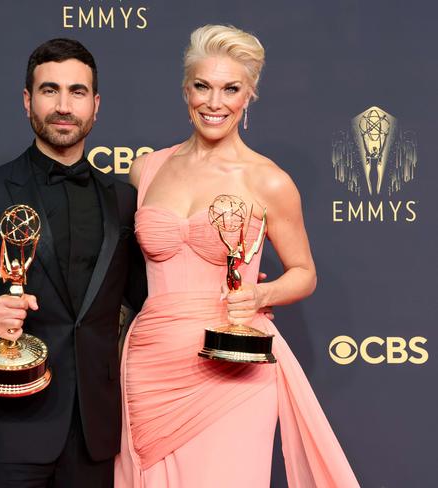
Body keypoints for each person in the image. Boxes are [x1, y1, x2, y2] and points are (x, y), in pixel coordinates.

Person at [114, 25, 359, 487]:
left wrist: (260, 291)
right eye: (202, 86)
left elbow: (304, 273)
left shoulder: (269, 180)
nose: (214, 102)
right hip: (150, 362)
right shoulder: (146, 169)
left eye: (231, 89)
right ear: (185, 89)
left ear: (249, 96)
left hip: (234, 365)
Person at [0, 38, 146, 488]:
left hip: (96, 433)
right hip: (9, 429)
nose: (64, 105)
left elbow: (145, 296)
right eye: (50, 91)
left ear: (96, 105)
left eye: (77, 92)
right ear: (28, 101)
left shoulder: (124, 201)